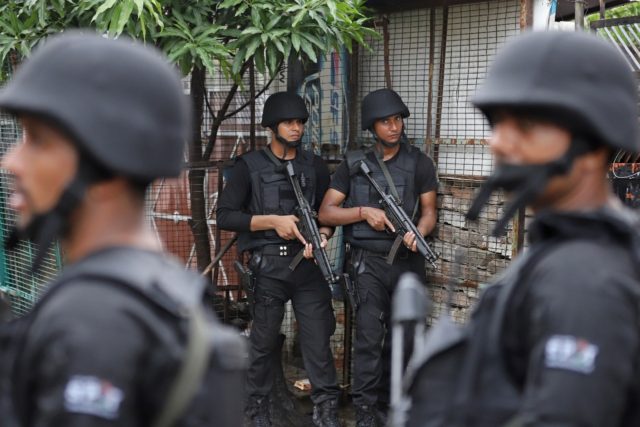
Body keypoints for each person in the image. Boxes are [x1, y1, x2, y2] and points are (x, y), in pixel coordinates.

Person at [0, 31, 246, 426]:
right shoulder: (167, 291)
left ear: (106, 165)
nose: (11, 161)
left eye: (39, 141)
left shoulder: (92, 321)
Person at [407, 31, 640, 427]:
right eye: (498, 122)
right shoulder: (571, 248)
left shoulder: (584, 278)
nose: (498, 141)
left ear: (592, 144)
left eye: (527, 125)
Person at [216, 91, 342, 427]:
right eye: (289, 122)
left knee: (318, 345)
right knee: (262, 346)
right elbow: (225, 216)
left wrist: (325, 236)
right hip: (268, 268)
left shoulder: (314, 166)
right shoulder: (248, 167)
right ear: (274, 126)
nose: (296, 128)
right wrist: (273, 221)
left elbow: (326, 213)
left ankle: (326, 415)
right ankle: (256, 415)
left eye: (300, 122)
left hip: (308, 267)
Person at [318, 88, 438, 427]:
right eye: (386, 121)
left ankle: (393, 406)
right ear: (373, 127)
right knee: (369, 338)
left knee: (408, 339)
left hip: (407, 261)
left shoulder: (419, 163)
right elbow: (326, 212)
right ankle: (366, 413)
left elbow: (430, 212)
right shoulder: (354, 166)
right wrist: (362, 212)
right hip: (367, 264)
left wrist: (420, 232)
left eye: (398, 119)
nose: (394, 127)